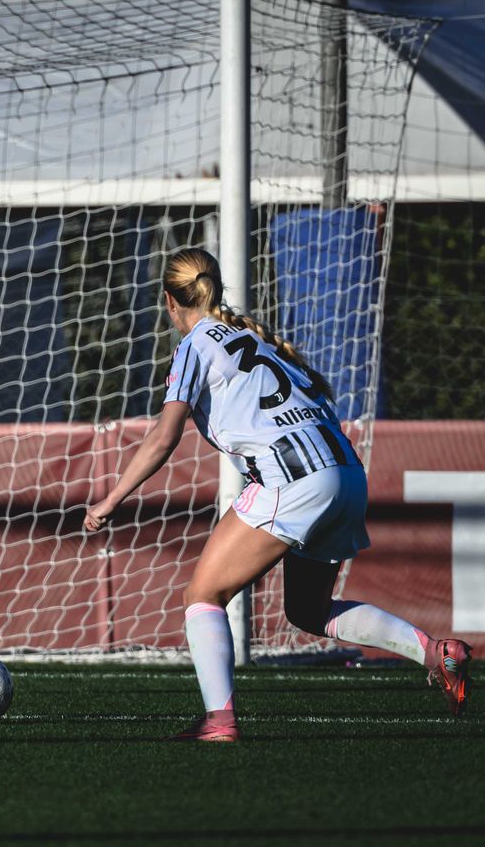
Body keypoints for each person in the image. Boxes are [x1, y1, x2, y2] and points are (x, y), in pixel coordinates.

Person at [84, 248, 472, 741]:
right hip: (347, 473)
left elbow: (163, 437)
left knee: (202, 595)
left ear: (169, 301)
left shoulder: (195, 345)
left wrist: (110, 498)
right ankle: (435, 652)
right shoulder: (256, 337)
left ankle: (219, 722)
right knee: (307, 611)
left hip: (291, 477)